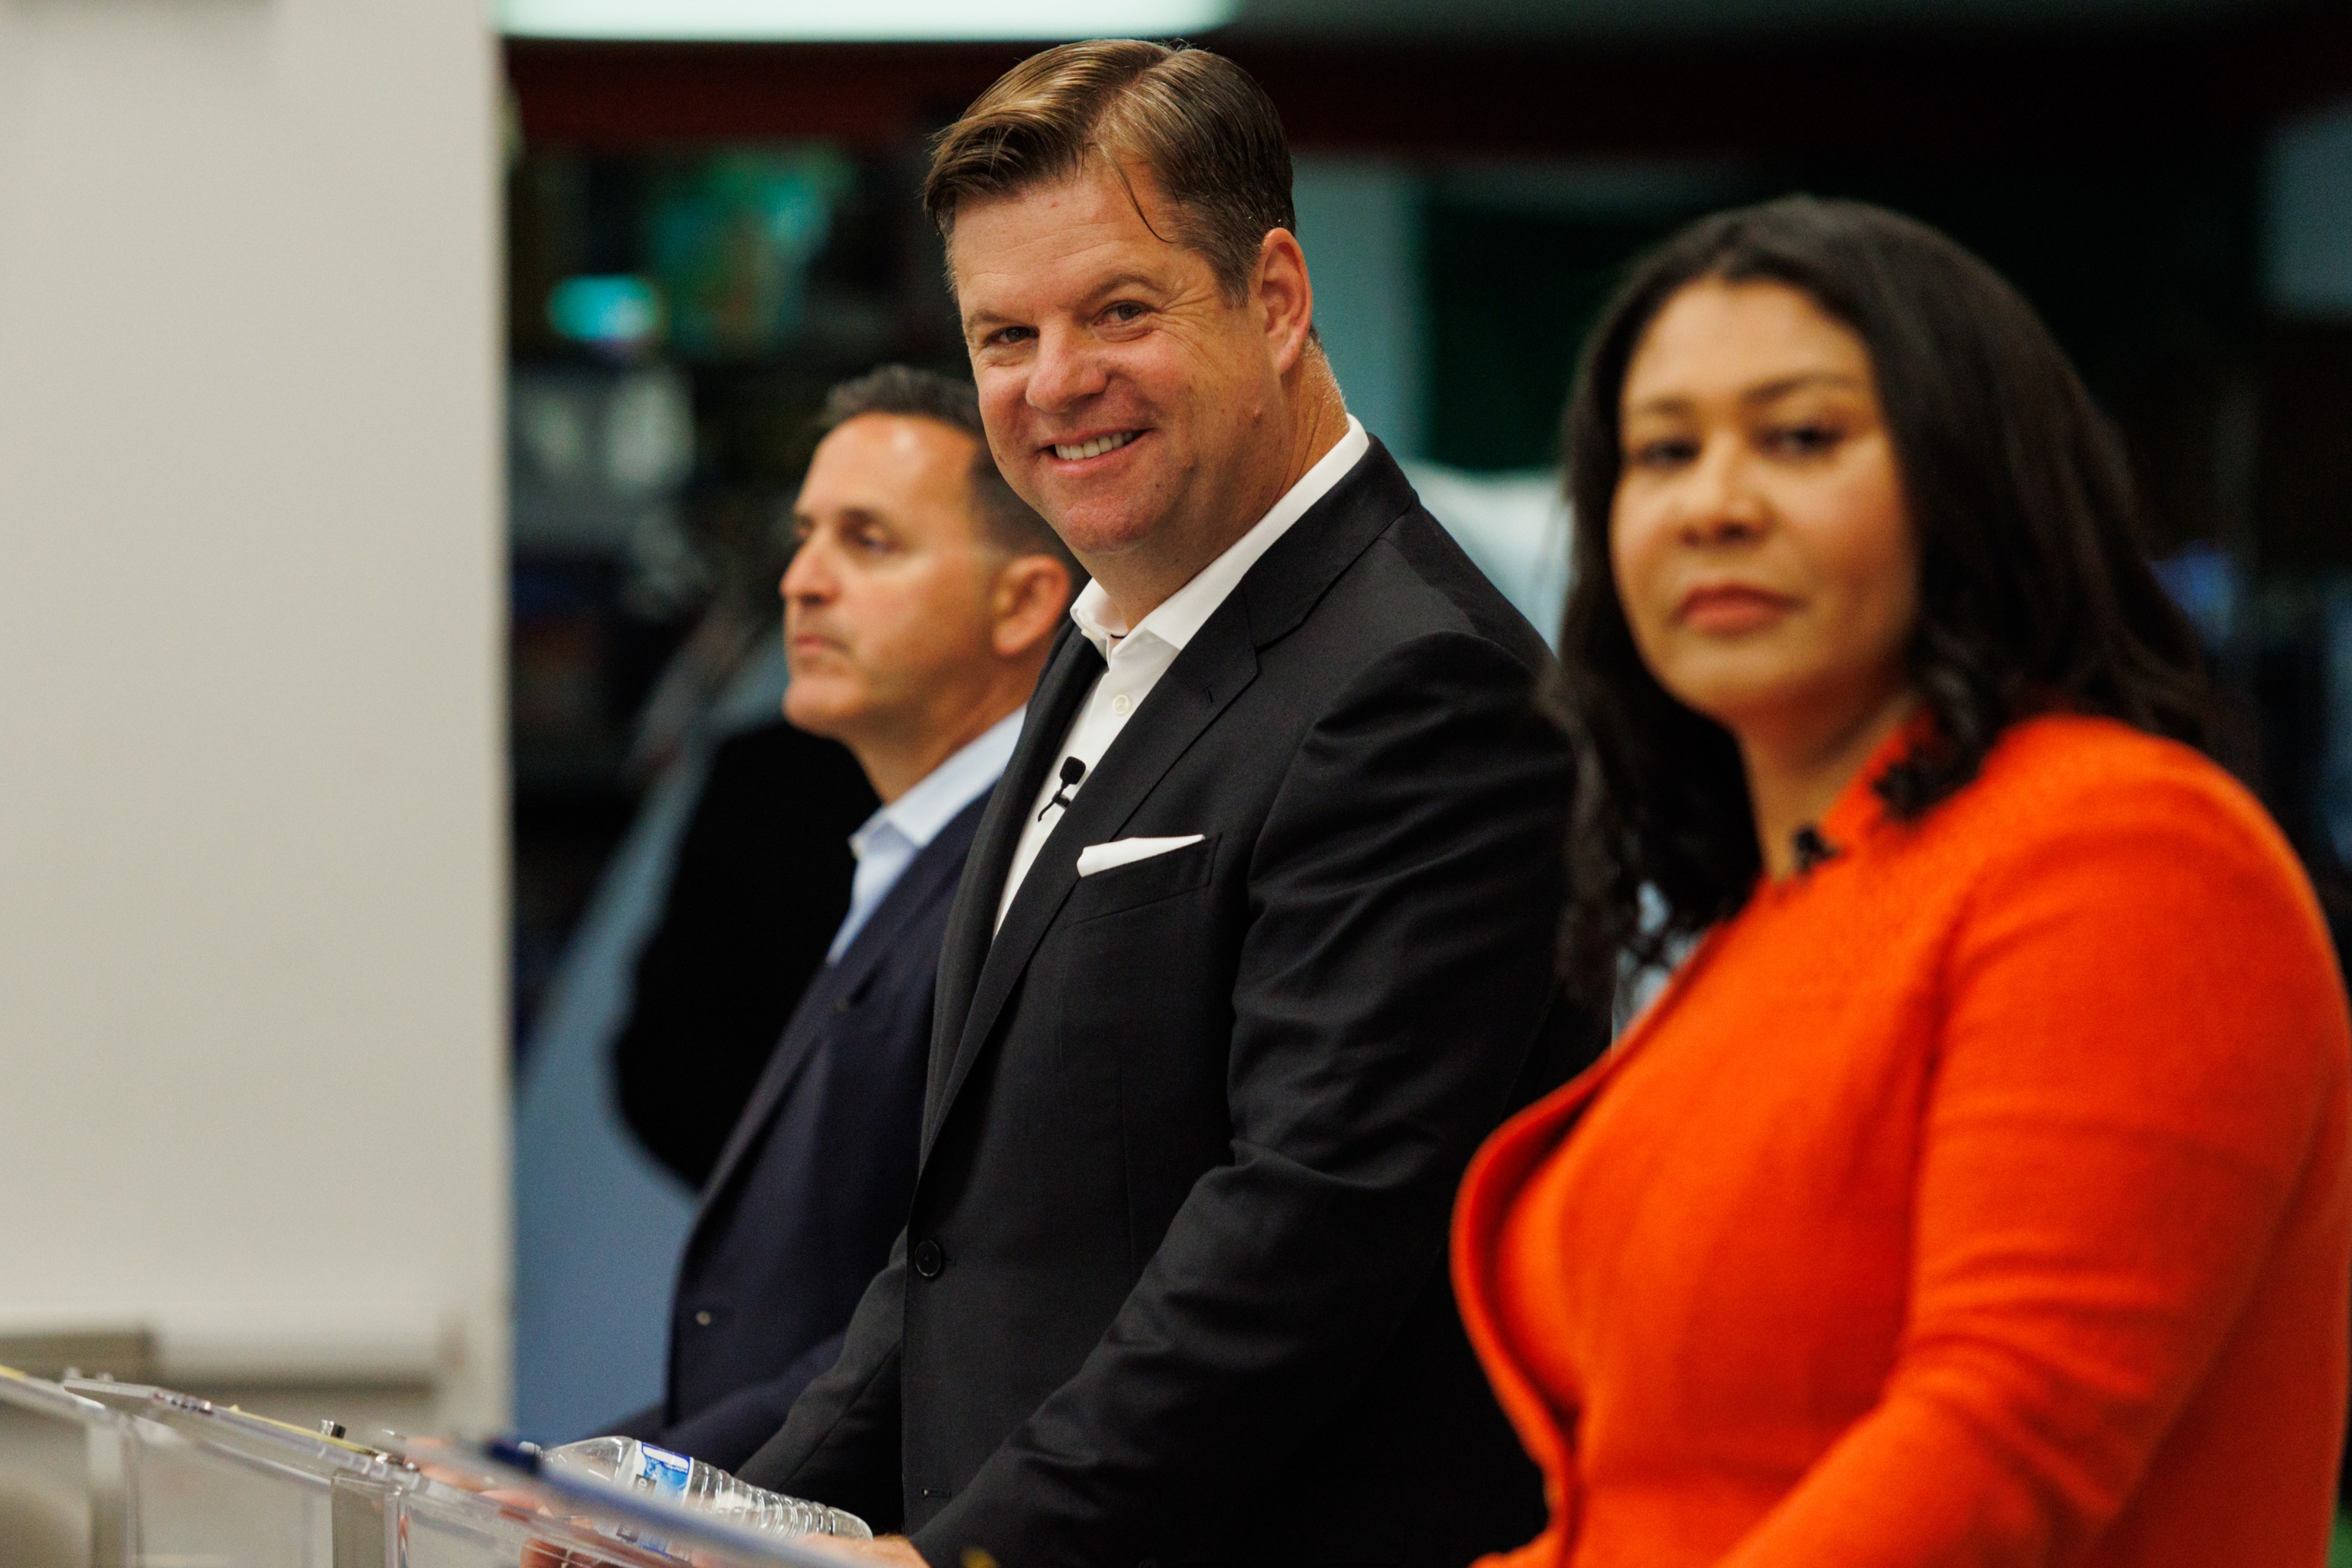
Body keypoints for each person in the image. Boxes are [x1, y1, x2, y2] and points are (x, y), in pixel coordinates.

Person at [742, 39, 1588, 1568]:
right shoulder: (1117, 624)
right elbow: (970, 1242)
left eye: (1120, 310)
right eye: (1005, 336)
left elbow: (1306, 1232)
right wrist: (738, 1522)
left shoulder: (1427, 683)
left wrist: (965, 1552)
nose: (1056, 384)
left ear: (1274, 296)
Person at [1452, 195, 2352, 1568]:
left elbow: (1996, 1446)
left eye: (1801, 437)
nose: (1715, 503)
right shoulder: (1788, 906)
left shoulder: (2126, 852)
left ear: (1970, 477)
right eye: (1663, 451)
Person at [610, 365, 1077, 1471]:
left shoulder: (1043, 880)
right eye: (806, 535)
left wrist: (668, 1484)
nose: (800, 582)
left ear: (1023, 601)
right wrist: (579, 1473)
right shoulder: (900, 850)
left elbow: (958, 1308)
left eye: (867, 542)